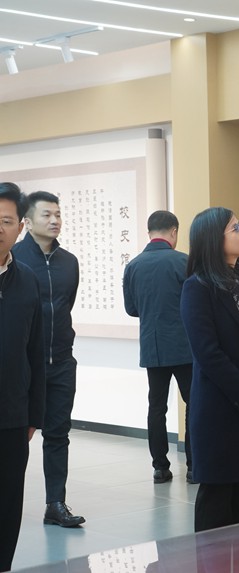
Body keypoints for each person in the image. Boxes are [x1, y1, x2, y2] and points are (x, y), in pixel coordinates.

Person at [180, 208, 239, 532]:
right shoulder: (197, 288)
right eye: (235, 228)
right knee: (217, 504)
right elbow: (208, 354)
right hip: (220, 410)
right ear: (212, 239)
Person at [12, 190, 85, 527]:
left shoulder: (69, 261)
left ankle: (55, 503)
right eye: (47, 215)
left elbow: (65, 305)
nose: (55, 220)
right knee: (14, 438)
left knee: (58, 433)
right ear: (27, 221)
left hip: (61, 361)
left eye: (58, 214)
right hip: (23, 366)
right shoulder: (14, 259)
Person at [123, 210, 194, 484]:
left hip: (153, 347)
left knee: (156, 407)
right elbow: (196, 304)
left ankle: (160, 468)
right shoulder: (184, 262)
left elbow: (131, 309)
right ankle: (194, 466)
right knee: (193, 403)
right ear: (174, 232)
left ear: (149, 232)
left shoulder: (133, 266)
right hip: (185, 346)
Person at [0, 183, 46, 572]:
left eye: (6, 220)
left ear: (20, 227)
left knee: (8, 504)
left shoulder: (28, 279)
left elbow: (37, 351)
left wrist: (35, 414)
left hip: (12, 417)